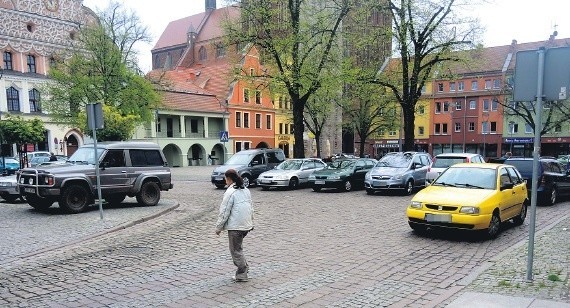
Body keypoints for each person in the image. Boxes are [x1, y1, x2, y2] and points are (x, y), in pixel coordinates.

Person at [215, 169, 254, 282]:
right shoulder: (245, 189)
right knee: (239, 248)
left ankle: (242, 273)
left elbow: (224, 211)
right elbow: (251, 207)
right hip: (245, 225)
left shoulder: (230, 192)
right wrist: (251, 222)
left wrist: (218, 227)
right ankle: (244, 269)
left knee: (235, 250)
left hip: (236, 226)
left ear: (229, 179)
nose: (225, 181)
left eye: (225, 179)